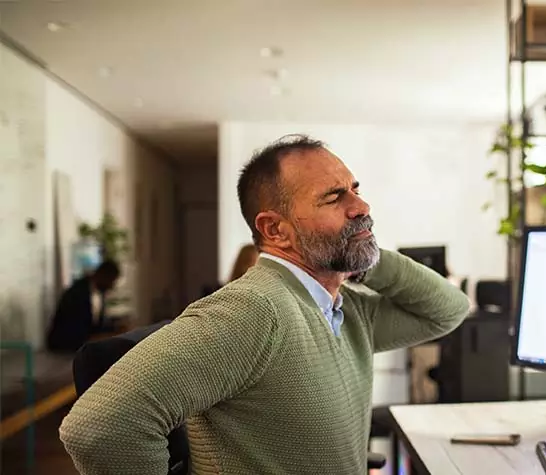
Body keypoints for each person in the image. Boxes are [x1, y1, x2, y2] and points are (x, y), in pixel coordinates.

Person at [59, 134, 470, 474]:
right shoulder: (254, 310)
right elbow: (99, 428)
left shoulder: (343, 310)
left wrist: (366, 262)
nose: (361, 206)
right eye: (333, 197)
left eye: (355, 189)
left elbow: (448, 310)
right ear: (276, 229)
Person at [46, 260, 121, 353]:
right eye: (112, 281)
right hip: (65, 346)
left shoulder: (98, 293)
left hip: (81, 343)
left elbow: (95, 325)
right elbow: (75, 327)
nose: (112, 286)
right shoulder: (77, 293)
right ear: (104, 276)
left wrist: (115, 328)